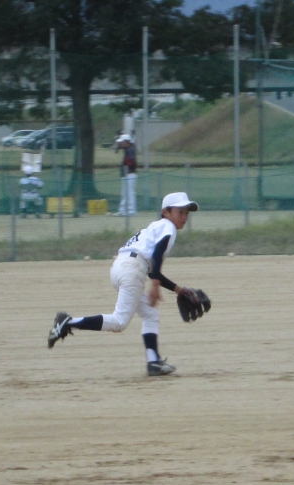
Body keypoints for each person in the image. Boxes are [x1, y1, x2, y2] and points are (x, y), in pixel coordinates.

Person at [47, 192, 200, 376]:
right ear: (166, 212)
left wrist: (179, 290)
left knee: (150, 314)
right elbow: (157, 256)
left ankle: (153, 362)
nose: (184, 216)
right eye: (180, 211)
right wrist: (155, 285)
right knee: (119, 321)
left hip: (122, 267)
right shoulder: (168, 227)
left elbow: (153, 269)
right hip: (133, 269)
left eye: (186, 212)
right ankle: (68, 323)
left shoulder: (155, 228)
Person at [115, 133, 137, 216]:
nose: (120, 143)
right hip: (127, 174)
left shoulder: (130, 150)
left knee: (129, 192)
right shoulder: (128, 149)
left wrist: (126, 166)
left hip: (130, 174)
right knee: (125, 192)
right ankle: (123, 210)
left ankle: (131, 210)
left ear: (126, 142)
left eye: (122, 142)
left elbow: (131, 162)